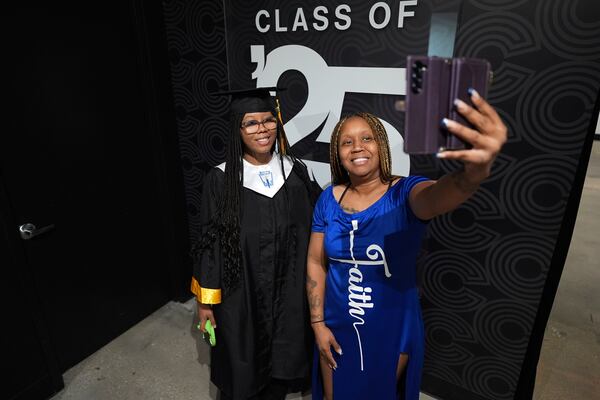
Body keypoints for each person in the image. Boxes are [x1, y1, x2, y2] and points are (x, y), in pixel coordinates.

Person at [306, 89, 507, 399]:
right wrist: (318, 324)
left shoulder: (404, 193)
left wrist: (473, 173)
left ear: (381, 146)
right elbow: (316, 263)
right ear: (338, 152)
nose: (357, 147)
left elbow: (438, 196)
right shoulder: (328, 198)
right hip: (334, 326)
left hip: (391, 328)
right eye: (347, 142)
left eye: (367, 138)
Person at [191, 87, 321, 400]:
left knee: (281, 366)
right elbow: (210, 243)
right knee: (242, 373)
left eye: (268, 120)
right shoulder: (222, 179)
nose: (262, 129)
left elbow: (316, 233)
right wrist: (205, 301)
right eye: (251, 123)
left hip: (287, 295)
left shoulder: (296, 173)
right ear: (237, 129)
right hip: (241, 295)